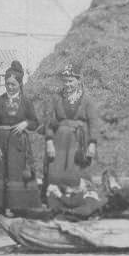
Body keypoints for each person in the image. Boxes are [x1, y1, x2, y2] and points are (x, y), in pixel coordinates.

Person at [0, 60, 40, 216]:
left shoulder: (26, 102)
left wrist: (25, 123)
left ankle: (12, 206)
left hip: (17, 145)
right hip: (1, 143)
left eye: (13, 84)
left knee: (14, 173)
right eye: (7, 84)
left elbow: (35, 122)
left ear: (19, 84)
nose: (10, 87)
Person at [43, 63, 100, 196]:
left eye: (71, 81)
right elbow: (49, 122)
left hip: (79, 142)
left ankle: (77, 199)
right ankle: (58, 201)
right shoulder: (57, 99)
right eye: (65, 81)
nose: (67, 84)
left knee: (77, 172)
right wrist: (49, 141)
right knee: (57, 172)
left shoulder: (86, 100)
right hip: (60, 142)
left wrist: (92, 143)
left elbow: (94, 123)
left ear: (78, 80)